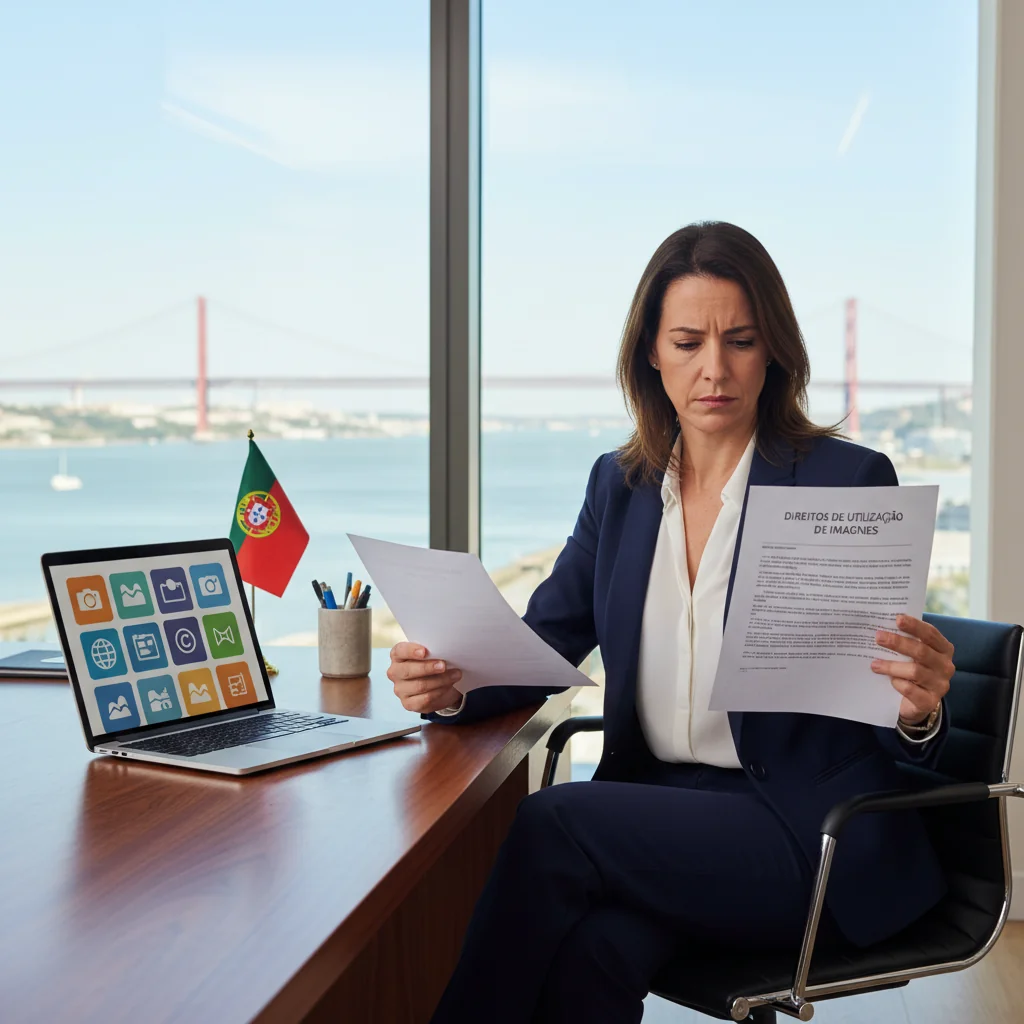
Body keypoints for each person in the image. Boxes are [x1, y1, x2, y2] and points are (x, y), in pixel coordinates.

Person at [388, 222, 954, 1024]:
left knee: (554, 821)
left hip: (803, 837)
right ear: (651, 353)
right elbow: (544, 641)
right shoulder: (619, 487)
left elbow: (894, 703)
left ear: (774, 353)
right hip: (661, 816)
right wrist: (448, 684)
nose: (714, 368)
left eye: (742, 340)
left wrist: (919, 710)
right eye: (688, 341)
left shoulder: (845, 482)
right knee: (594, 954)